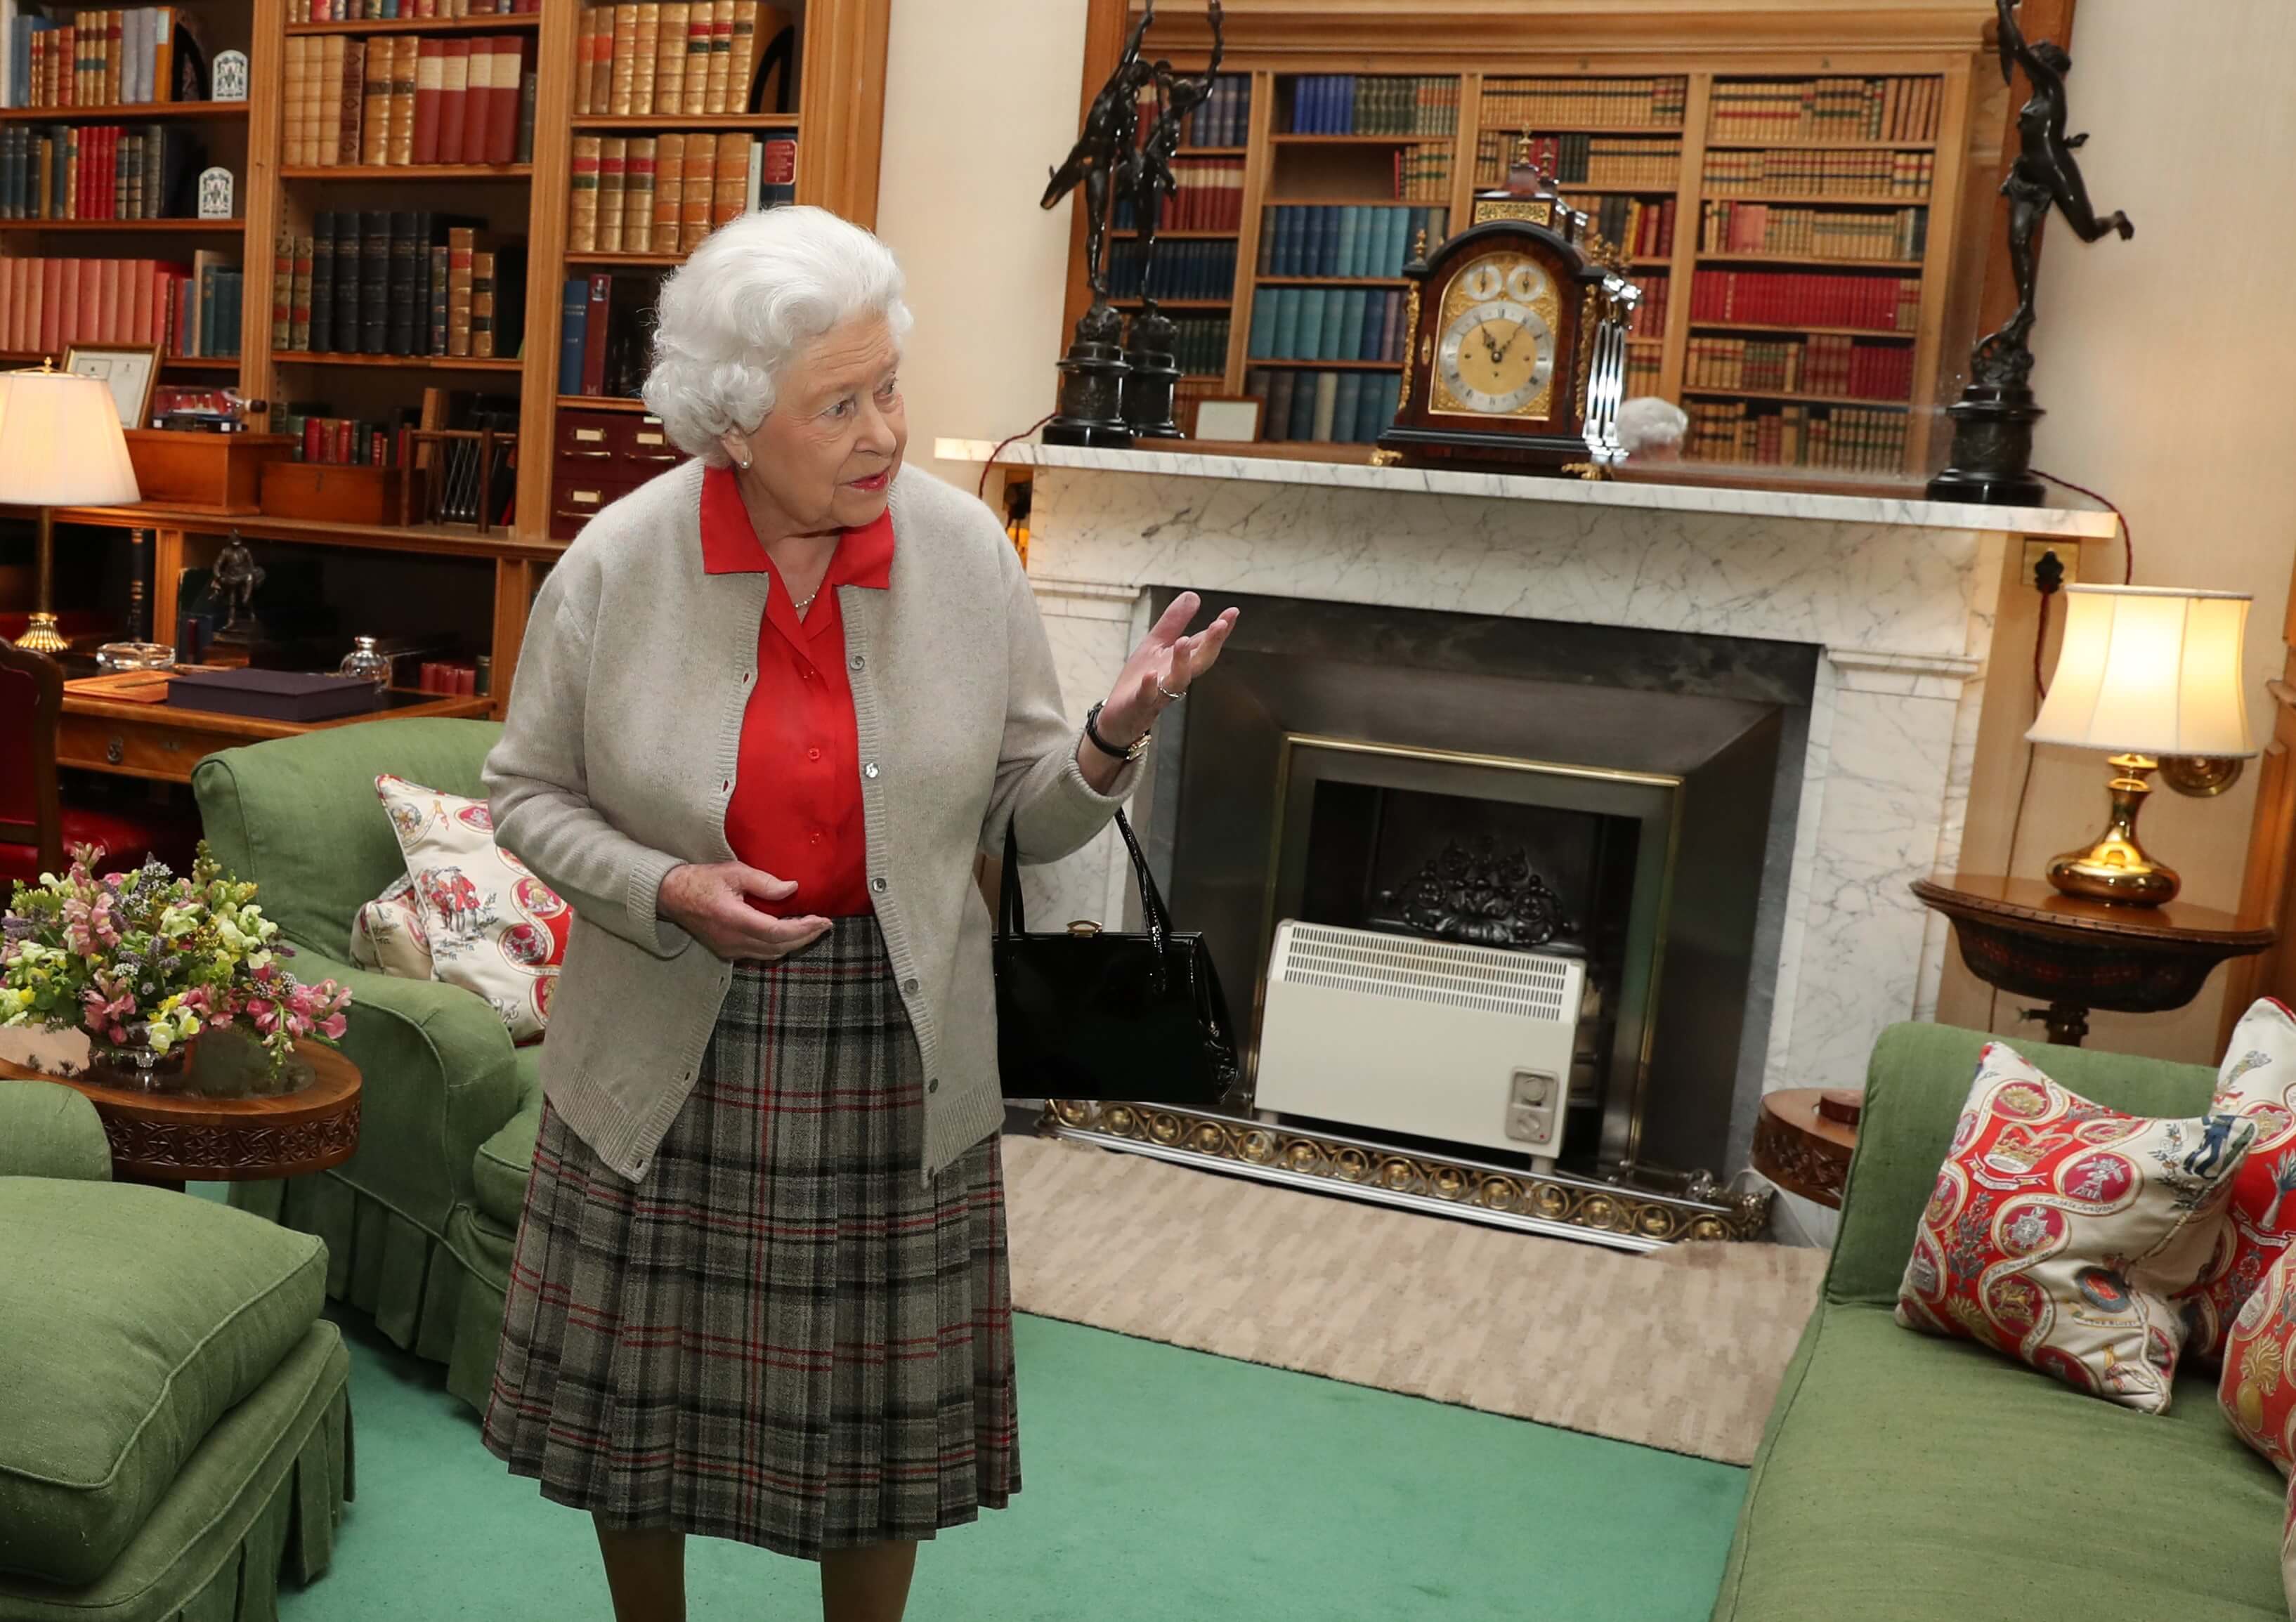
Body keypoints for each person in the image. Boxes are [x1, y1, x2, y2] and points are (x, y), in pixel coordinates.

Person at [479, 204, 1238, 1622]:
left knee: (876, 1432)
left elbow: (1027, 819)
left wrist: (1106, 738)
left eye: (889, 385)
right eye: (840, 404)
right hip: (664, 1028)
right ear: (733, 421)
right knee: (641, 1415)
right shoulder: (616, 564)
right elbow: (524, 796)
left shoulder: (962, 557)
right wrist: (667, 888)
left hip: (891, 1034)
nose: (886, 431)